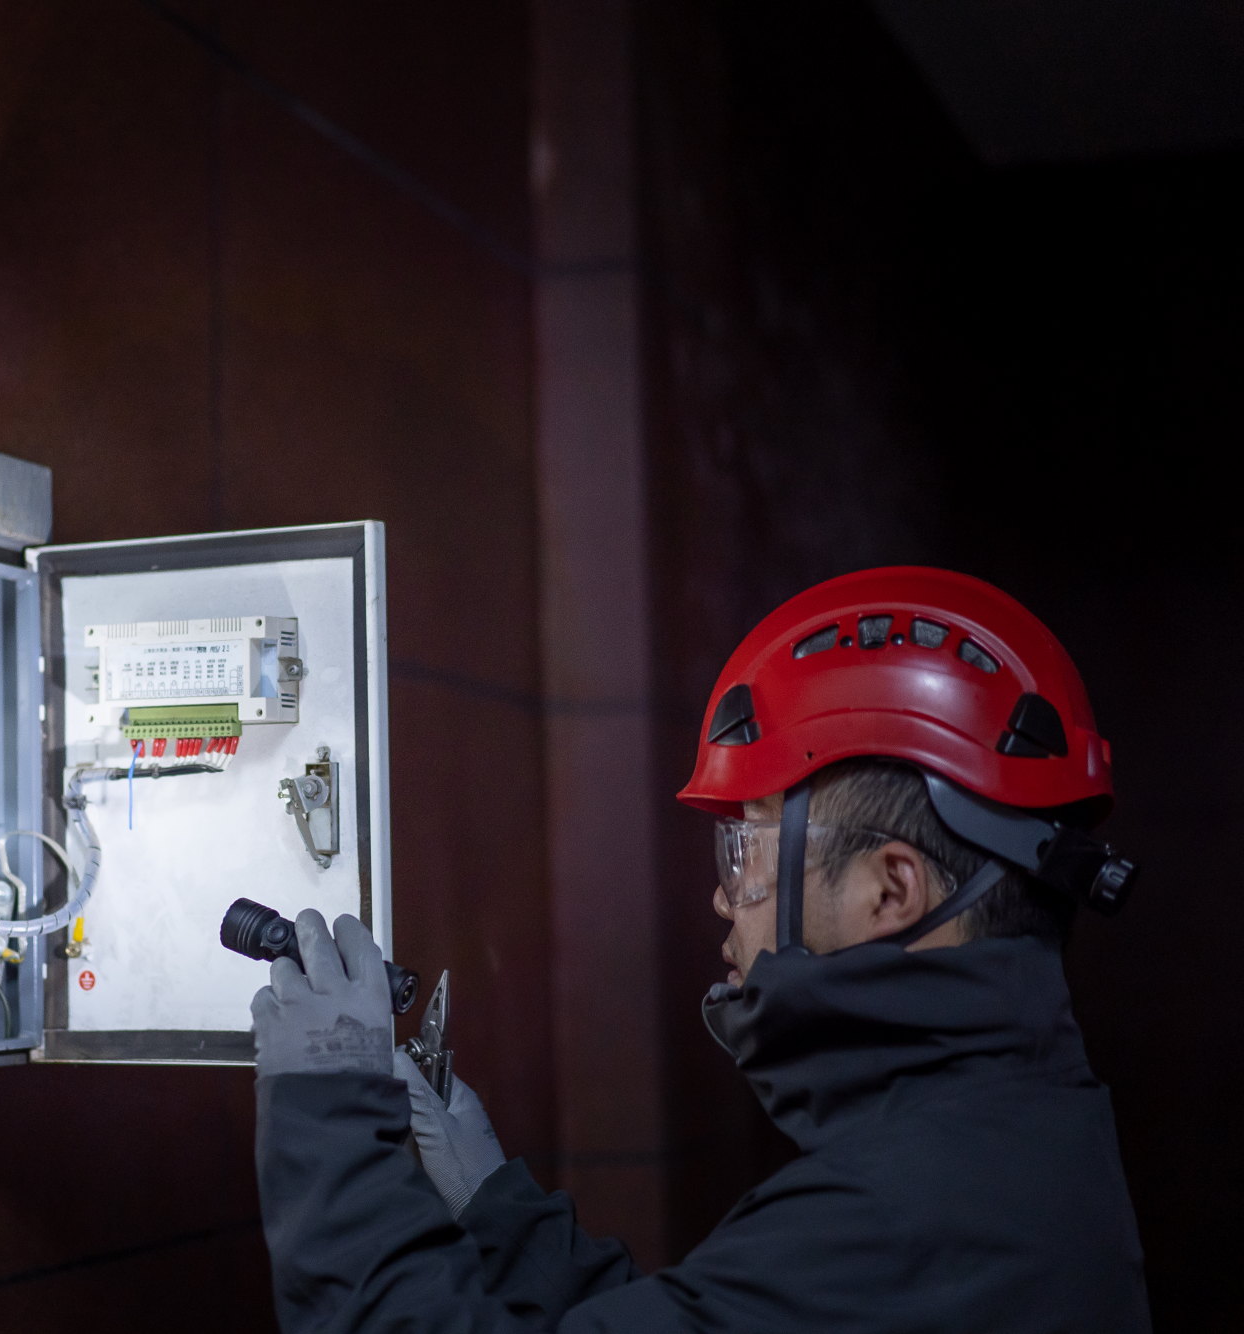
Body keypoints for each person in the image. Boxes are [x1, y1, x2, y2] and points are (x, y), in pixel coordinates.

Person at [249, 566, 1151, 1331]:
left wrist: (330, 1120)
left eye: (747, 851)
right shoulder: (992, 1143)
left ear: (891, 889)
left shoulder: (907, 1219)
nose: (724, 895)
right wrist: (493, 1210)